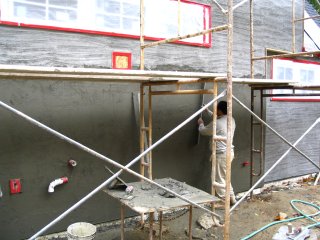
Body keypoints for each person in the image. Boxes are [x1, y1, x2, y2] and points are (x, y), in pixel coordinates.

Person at [197, 100, 237, 205]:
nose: (215, 111)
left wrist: (201, 124)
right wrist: (208, 111)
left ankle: (223, 202)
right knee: (225, 177)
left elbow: (203, 131)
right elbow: (218, 119)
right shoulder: (231, 119)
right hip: (229, 153)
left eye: (216, 109)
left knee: (219, 179)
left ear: (219, 110)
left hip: (221, 155)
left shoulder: (217, 123)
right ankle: (232, 198)